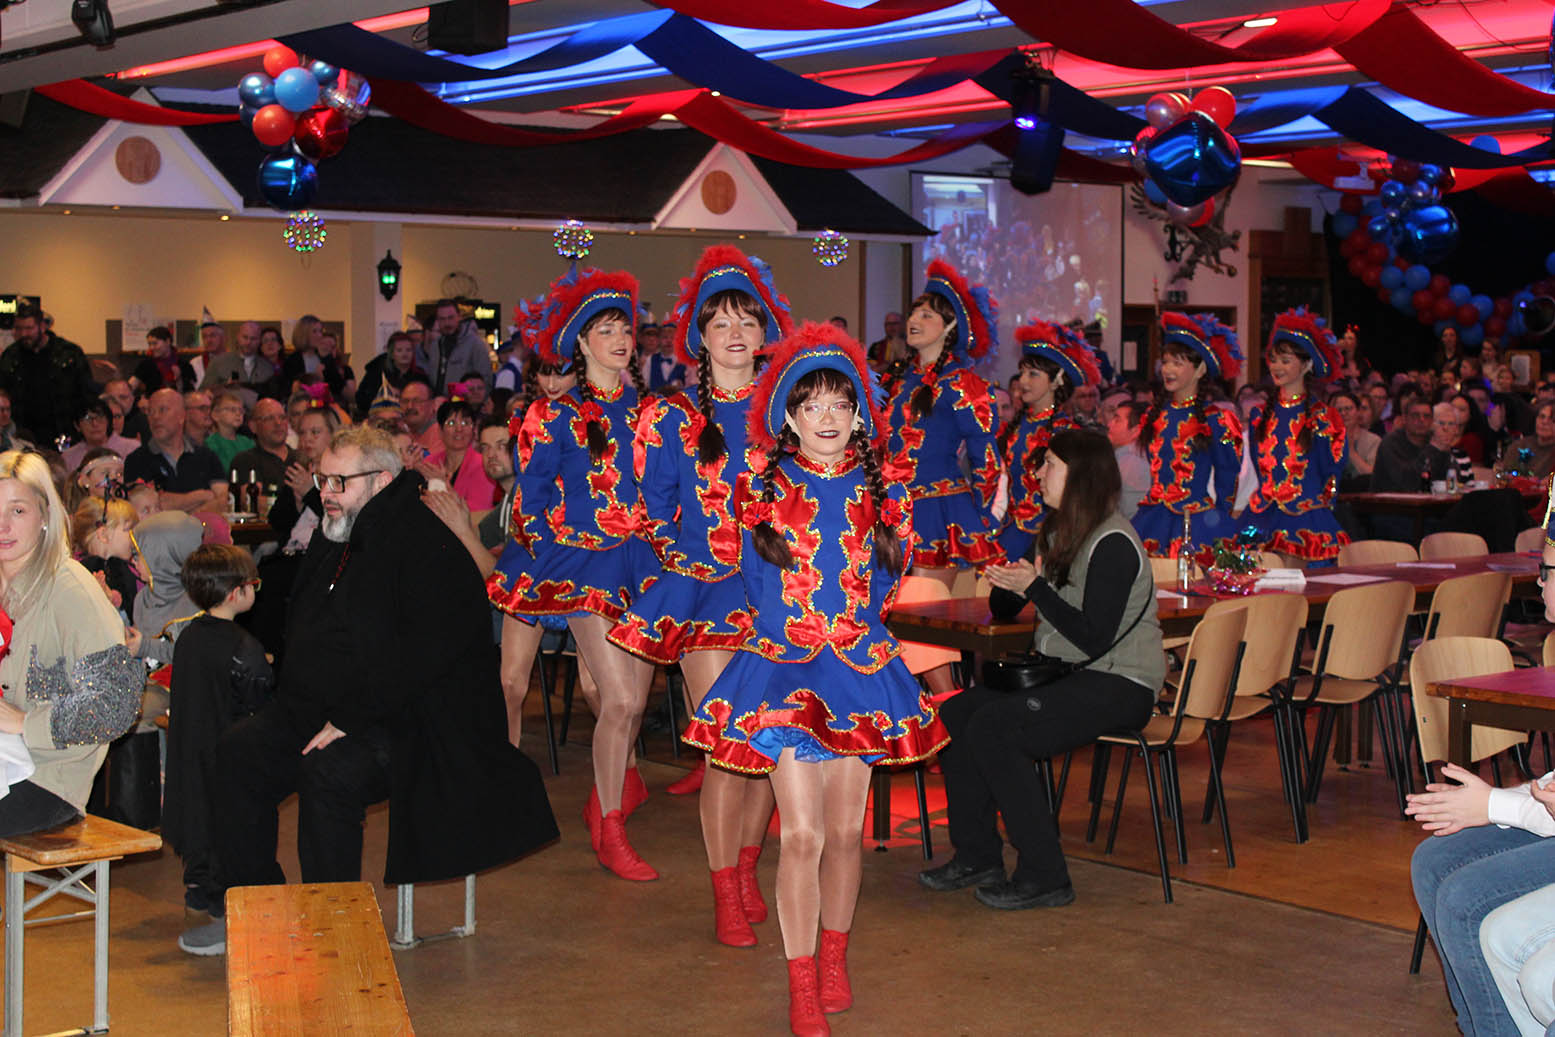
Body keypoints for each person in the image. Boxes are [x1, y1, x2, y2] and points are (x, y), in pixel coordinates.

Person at [183, 426, 558, 955]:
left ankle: (333, 933)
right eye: (322, 479)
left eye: (340, 481)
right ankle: (257, 912)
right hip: (324, 706)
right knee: (240, 753)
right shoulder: (336, 530)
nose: (327, 492)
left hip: (410, 720)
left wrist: (350, 718)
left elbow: (428, 654)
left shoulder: (425, 542)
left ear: (382, 480)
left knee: (328, 775)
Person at [681, 324, 947, 1037]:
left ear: (858, 415)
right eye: (811, 405)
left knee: (844, 833)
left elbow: (883, 587)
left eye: (839, 403)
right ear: (789, 418)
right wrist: (797, 636)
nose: (826, 417)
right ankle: (801, 981)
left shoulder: (887, 493)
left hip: (858, 673)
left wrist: (851, 633)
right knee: (798, 834)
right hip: (784, 676)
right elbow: (754, 584)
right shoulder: (760, 491)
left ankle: (835, 958)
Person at [608, 246, 790, 945]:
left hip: (776, 597)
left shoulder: (787, 412)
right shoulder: (669, 416)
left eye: (747, 319)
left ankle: (746, 869)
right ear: (700, 337)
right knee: (726, 746)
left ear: (764, 330)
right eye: (721, 322)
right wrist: (691, 561)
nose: (736, 333)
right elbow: (652, 506)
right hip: (703, 594)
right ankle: (722, 891)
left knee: (767, 744)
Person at [922, 428, 1163, 910]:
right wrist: (1010, 586)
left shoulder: (1113, 541)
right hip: (1070, 675)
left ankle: (1045, 873)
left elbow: (1093, 637)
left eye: (1050, 463)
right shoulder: (1057, 532)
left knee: (996, 727)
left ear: (1081, 476)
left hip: (1122, 682)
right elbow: (1011, 610)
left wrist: (1036, 588)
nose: (1038, 473)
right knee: (957, 713)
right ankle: (978, 856)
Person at [486, 267, 659, 881]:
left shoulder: (652, 413)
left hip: (640, 564)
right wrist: (556, 554)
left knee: (625, 700)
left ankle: (609, 797)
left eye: (624, 329)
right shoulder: (554, 415)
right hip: (579, 564)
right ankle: (610, 828)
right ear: (581, 343)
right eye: (604, 330)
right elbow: (530, 500)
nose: (619, 339)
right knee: (617, 697)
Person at [0, 450, 141, 837]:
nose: (3, 525)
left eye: (17, 511)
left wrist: (25, 723)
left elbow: (116, 702)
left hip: (47, 778)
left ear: (45, 515)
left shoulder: (70, 587)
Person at [164, 544, 273, 934]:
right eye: (253, 584)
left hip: (191, 748)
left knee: (198, 820)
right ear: (235, 592)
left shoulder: (188, 636)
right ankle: (227, 906)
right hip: (230, 755)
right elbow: (260, 701)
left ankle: (198, 891)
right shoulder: (244, 647)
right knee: (230, 829)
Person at [883, 261, 1003, 598]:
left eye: (926, 315)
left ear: (950, 327)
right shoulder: (897, 380)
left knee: (921, 608)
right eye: (913, 313)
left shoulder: (963, 384)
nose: (913, 320)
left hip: (938, 511)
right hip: (892, 508)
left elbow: (986, 458)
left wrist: (980, 516)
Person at [1132, 312, 1243, 559]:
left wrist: (1221, 519)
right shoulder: (1153, 416)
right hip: (1152, 518)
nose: (1168, 370)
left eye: (1178, 363)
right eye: (1166, 362)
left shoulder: (1216, 420)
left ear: (1200, 369)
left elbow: (1227, 476)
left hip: (1196, 520)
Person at [1243, 309, 1349, 565]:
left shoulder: (1324, 417)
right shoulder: (1259, 415)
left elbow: (1332, 472)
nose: (1276, 367)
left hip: (1307, 519)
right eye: (1273, 359)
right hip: (1262, 516)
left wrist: (1319, 510)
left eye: (1286, 360)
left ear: (1307, 365)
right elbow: (1260, 468)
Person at [995, 321, 1095, 562]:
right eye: (1022, 373)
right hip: (1011, 532)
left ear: (1056, 380)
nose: (1023, 381)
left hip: (1053, 537)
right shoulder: (1014, 428)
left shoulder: (1068, 432)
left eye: (1033, 374)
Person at [0, 305, 97, 444]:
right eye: (18, 329)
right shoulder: (10, 356)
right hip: (23, 434)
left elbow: (87, 395)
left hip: (64, 431)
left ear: (42, 326)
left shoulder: (69, 353)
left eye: (29, 328)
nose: (23, 334)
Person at [123, 389, 227, 514]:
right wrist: (202, 495)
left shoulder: (207, 457)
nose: (155, 417)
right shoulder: (136, 460)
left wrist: (189, 517)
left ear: (182, 416)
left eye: (162, 410)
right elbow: (150, 505)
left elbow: (223, 501)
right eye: (150, 412)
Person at [419, 394, 498, 513]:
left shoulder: (483, 465)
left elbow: (478, 511)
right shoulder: (429, 464)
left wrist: (443, 485)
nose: (459, 429)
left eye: (465, 423)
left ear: (473, 430)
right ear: (440, 431)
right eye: (451, 423)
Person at [418, 299, 492, 395]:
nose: (447, 323)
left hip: (464, 403)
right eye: (442, 319)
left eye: (451, 318)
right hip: (439, 402)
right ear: (438, 320)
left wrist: (455, 394)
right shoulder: (435, 346)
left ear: (459, 317)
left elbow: (485, 382)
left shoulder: (475, 344)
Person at [1102, 393, 1150, 518]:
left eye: (1117, 420)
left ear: (1135, 430)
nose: (1109, 424)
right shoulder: (1127, 457)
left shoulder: (1131, 462)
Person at [353, 331, 424, 416]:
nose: (404, 354)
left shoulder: (420, 376)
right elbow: (361, 399)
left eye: (408, 350)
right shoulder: (377, 372)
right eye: (399, 350)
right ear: (392, 354)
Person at [228, 398, 293, 488]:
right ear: (253, 426)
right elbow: (252, 494)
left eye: (282, 417)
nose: (278, 423)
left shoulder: (302, 459)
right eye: (269, 418)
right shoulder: (245, 461)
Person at [62, 398, 139, 471]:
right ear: (77, 426)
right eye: (87, 419)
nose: (95, 424)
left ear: (108, 421)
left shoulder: (131, 448)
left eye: (100, 417)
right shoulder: (68, 457)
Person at [201, 321, 273, 392]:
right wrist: (224, 387)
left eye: (253, 338)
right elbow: (202, 392)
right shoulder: (218, 363)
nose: (248, 342)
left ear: (260, 340)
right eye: (245, 337)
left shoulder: (267, 367)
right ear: (238, 337)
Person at [131, 326, 197, 396]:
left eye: (155, 343)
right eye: (149, 344)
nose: (151, 348)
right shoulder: (146, 365)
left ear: (168, 342)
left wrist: (179, 380)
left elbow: (190, 396)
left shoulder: (184, 365)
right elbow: (131, 386)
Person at [1498, 400, 1555, 480]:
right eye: (1542, 416)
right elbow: (1504, 474)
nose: (1544, 422)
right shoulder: (1519, 445)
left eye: (1553, 420)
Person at [1331, 390, 1379, 481]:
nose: (1343, 413)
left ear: (1358, 411)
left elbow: (1372, 475)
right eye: (1339, 410)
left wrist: (1351, 451)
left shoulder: (1373, 441)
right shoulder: (1326, 440)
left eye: (1348, 409)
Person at [203, 390, 254, 474]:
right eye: (232, 410)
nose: (238, 414)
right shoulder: (211, 444)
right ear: (215, 415)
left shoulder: (248, 442)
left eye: (241, 410)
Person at [399, 376, 442, 458]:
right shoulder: (400, 431)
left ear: (432, 405)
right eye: (405, 401)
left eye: (417, 401)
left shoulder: (442, 434)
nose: (410, 406)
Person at [101, 378, 150, 444]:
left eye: (123, 397)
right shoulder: (97, 421)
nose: (118, 402)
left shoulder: (145, 422)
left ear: (132, 399)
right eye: (112, 398)